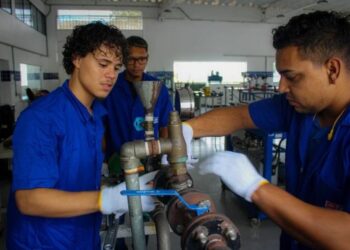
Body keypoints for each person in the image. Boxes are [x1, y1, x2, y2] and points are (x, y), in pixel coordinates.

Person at [185, 11, 350, 250]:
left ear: (332, 69)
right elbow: (239, 115)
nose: (282, 87)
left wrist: (257, 188)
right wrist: (187, 129)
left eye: (291, 77)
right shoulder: (298, 108)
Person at [6, 22, 155, 250]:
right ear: (76, 59)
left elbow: (75, 177)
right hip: (44, 242)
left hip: (83, 237)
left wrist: (114, 188)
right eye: (103, 64)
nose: (111, 75)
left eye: (116, 68)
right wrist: (105, 199)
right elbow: (28, 200)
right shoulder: (42, 117)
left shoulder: (95, 115)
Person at [103, 36, 173, 162]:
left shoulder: (158, 88)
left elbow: (165, 126)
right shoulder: (110, 87)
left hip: (151, 158)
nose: (136, 65)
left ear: (147, 59)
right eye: (131, 59)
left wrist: (163, 157)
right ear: (123, 59)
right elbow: (101, 126)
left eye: (142, 59)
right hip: (118, 159)